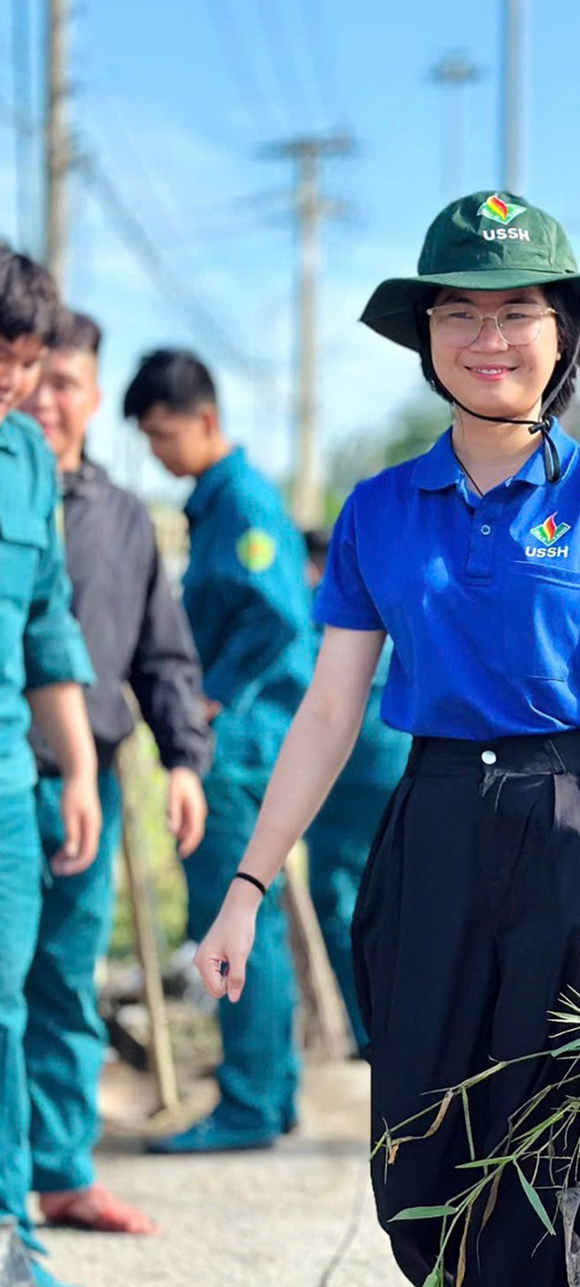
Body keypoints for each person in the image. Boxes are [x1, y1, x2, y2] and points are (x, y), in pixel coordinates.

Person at [187, 191, 580, 1287]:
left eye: (516, 311)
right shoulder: (379, 507)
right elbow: (328, 711)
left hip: (572, 833)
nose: (488, 339)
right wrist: (247, 884)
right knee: (416, 1142)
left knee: (558, 1147)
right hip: (428, 828)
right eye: (458, 314)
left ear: (564, 332)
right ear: (426, 338)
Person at [20, 310, 210, 1235]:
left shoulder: (124, 519)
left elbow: (163, 657)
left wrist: (183, 759)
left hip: (80, 783)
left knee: (63, 983)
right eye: (35, 376)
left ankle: (59, 1173)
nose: (49, 398)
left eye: (69, 383)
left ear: (95, 395)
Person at [125, 348, 312, 1156]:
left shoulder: (238, 500)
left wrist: (210, 695)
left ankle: (248, 1102)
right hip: (240, 741)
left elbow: (278, 615)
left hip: (236, 747)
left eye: (166, 435)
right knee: (248, 920)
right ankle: (272, 1093)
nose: (160, 455)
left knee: (234, 922)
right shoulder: (220, 501)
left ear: (205, 420)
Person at [0, 245, 101, 1287]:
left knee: (5, 1005)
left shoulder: (27, 462)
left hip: (6, 791)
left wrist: (75, 768)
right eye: (0, 355)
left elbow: (46, 626)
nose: (12, 380)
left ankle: (5, 1231)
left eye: (25, 362)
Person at [299, 526, 408, 1055]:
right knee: (353, 906)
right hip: (357, 780)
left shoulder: (343, 606)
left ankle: (379, 1029)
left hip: (370, 777)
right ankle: (378, 1030)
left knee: (362, 906)